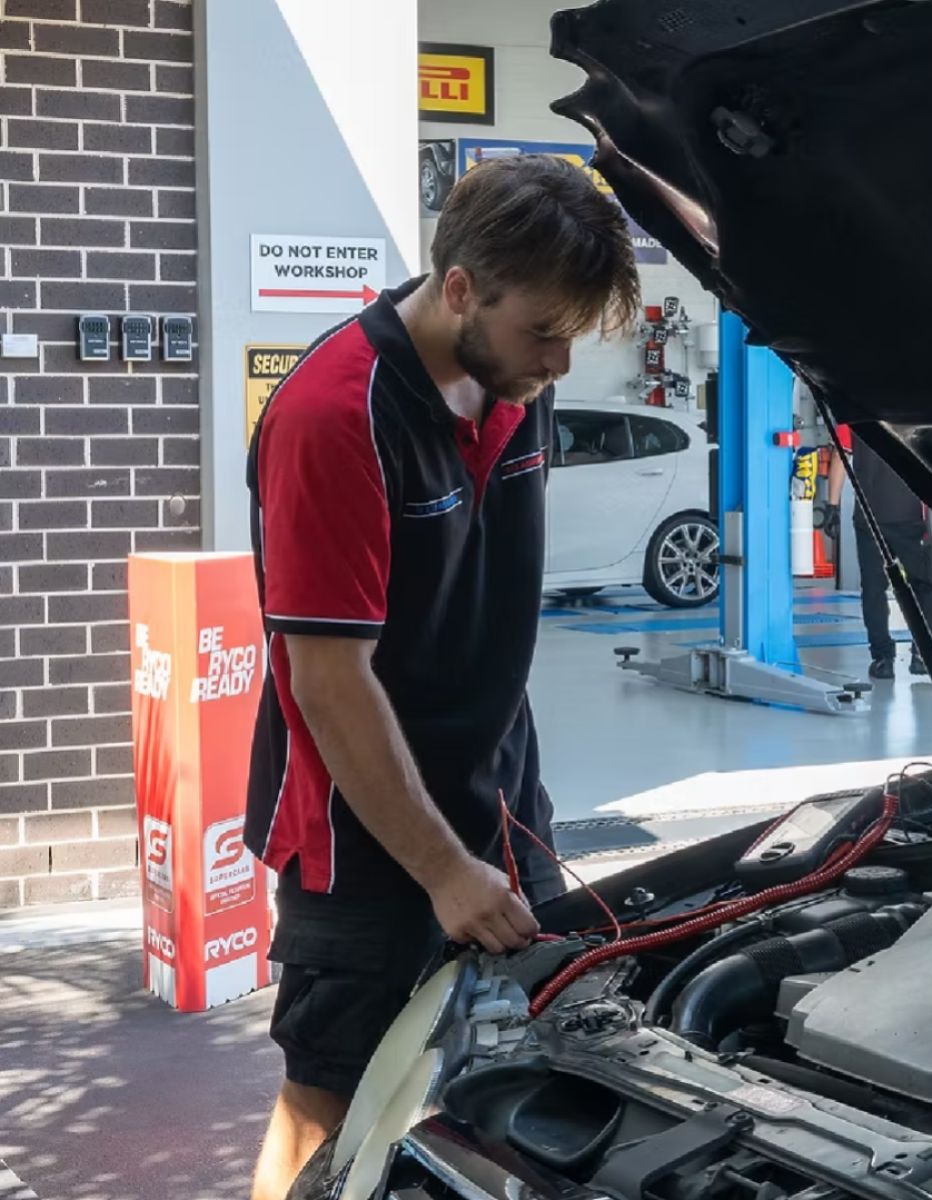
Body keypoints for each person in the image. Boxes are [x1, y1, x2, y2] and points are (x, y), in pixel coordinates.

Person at [244, 155, 640, 1200]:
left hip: (503, 800)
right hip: (361, 834)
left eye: (572, 336)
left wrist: (489, 836)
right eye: (543, 331)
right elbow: (328, 683)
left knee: (542, 1052)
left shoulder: (514, 381)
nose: (558, 362)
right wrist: (440, 869)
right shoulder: (335, 414)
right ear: (461, 287)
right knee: (329, 1104)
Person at [827, 429, 932, 679]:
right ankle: (924, 655)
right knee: (926, 584)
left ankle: (882, 659)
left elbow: (840, 457)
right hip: (911, 518)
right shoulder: (911, 412)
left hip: (869, 517)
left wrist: (832, 505)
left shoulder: (851, 415)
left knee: (873, 590)